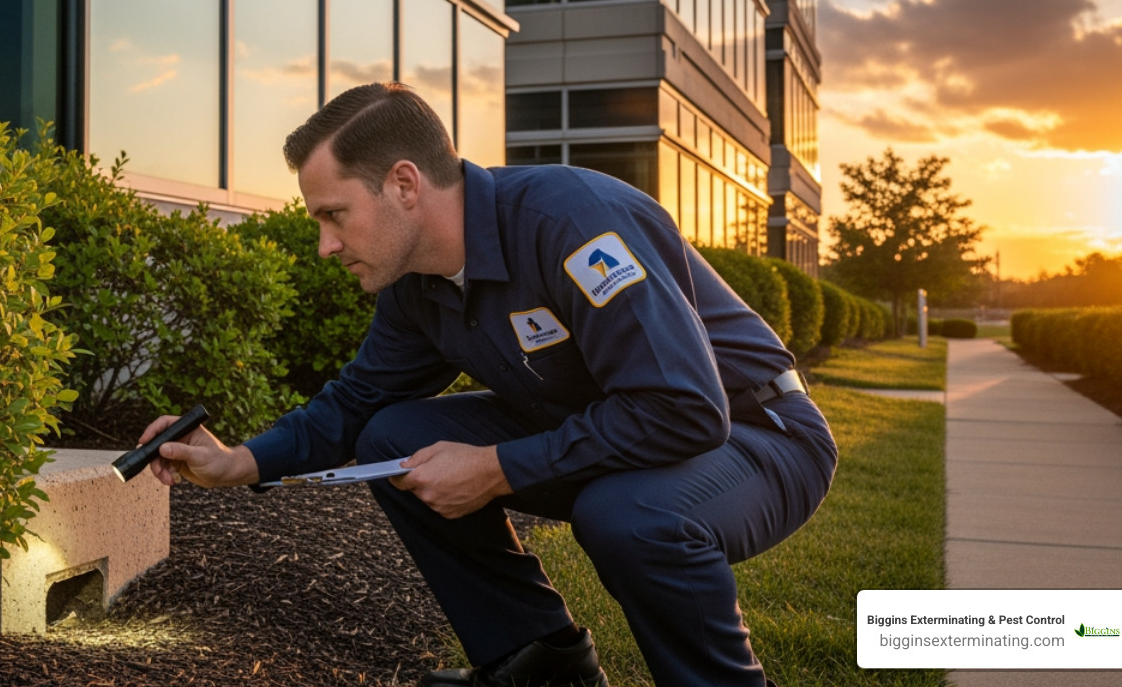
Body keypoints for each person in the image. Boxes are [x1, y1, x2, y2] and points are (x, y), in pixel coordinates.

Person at [137, 83, 838, 687]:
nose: (325, 244)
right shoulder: (416, 284)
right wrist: (239, 462)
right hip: (624, 431)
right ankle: (540, 659)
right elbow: (358, 403)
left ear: (404, 185)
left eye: (333, 214)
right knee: (395, 437)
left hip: (758, 435)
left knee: (627, 515)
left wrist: (498, 468)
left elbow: (683, 408)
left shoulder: (570, 222)